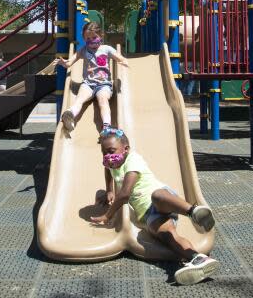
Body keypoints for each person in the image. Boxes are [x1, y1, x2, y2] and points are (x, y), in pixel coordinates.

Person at [90, 129, 219, 285]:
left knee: (157, 196)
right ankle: (198, 259)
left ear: (126, 149)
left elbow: (124, 194)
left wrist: (107, 215)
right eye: (104, 153)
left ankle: (194, 212)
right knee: (168, 237)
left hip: (163, 201)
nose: (107, 156)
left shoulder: (133, 161)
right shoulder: (112, 163)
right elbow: (108, 171)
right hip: (148, 216)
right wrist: (109, 190)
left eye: (111, 151)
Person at [53, 22, 129, 134]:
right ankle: (69, 114)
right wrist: (63, 62)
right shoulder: (83, 50)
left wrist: (123, 62)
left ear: (101, 36)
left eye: (94, 37)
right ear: (84, 39)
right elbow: (70, 63)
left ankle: (106, 127)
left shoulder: (106, 49)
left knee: (103, 100)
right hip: (88, 84)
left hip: (104, 85)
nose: (91, 40)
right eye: (88, 38)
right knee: (79, 99)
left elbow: (121, 58)